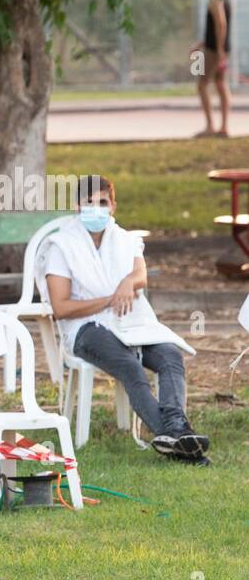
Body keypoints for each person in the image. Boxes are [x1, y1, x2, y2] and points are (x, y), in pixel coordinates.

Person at [40, 175, 209, 465]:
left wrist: (128, 283)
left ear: (113, 206)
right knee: (131, 368)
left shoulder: (126, 240)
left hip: (132, 322)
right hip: (86, 329)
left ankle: (175, 431)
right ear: (76, 206)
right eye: (88, 203)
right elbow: (61, 307)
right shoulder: (61, 246)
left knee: (170, 356)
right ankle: (178, 439)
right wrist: (109, 298)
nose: (96, 209)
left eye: (102, 202)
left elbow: (140, 275)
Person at [193, 0, 231, 138]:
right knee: (220, 83)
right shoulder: (224, 0)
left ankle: (210, 126)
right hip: (220, 49)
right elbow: (217, 28)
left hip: (214, 51)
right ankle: (223, 127)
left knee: (202, 84)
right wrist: (201, 44)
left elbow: (221, 24)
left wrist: (219, 50)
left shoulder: (215, 1)